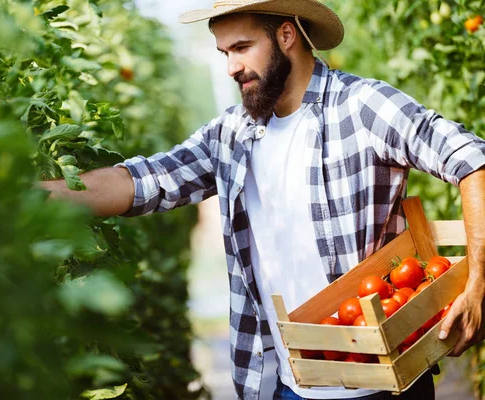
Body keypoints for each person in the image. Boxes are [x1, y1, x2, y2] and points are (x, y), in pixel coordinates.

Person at [40, 0, 485, 399]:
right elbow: (143, 182)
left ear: (286, 35)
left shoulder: (361, 107)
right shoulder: (233, 134)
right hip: (283, 385)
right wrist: (39, 197)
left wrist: (478, 285)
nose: (231, 67)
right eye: (224, 53)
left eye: (241, 47)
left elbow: (473, 160)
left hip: (382, 383)